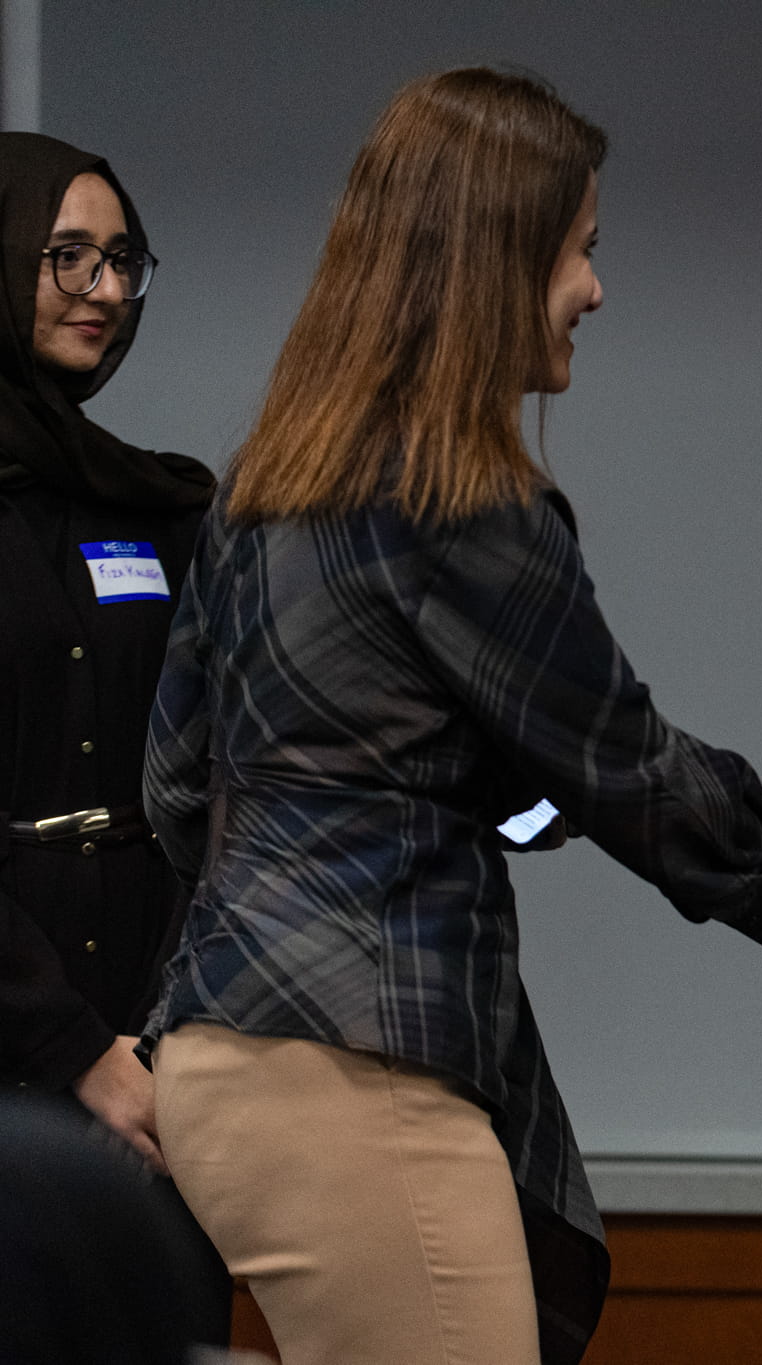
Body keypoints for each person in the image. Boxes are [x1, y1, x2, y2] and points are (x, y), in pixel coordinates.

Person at [138, 69, 762, 1365]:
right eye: (580, 251)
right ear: (498, 261)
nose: (596, 288)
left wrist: (497, 798)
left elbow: (176, 786)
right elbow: (627, 768)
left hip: (215, 1059)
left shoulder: (266, 490)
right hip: (352, 1072)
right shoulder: (465, 505)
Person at [0, 132, 230, 1345]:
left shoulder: (167, 506)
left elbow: (225, 771)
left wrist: (168, 1041)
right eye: (67, 256)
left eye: (123, 260)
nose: (102, 289)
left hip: (166, 1017)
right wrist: (73, 1045)